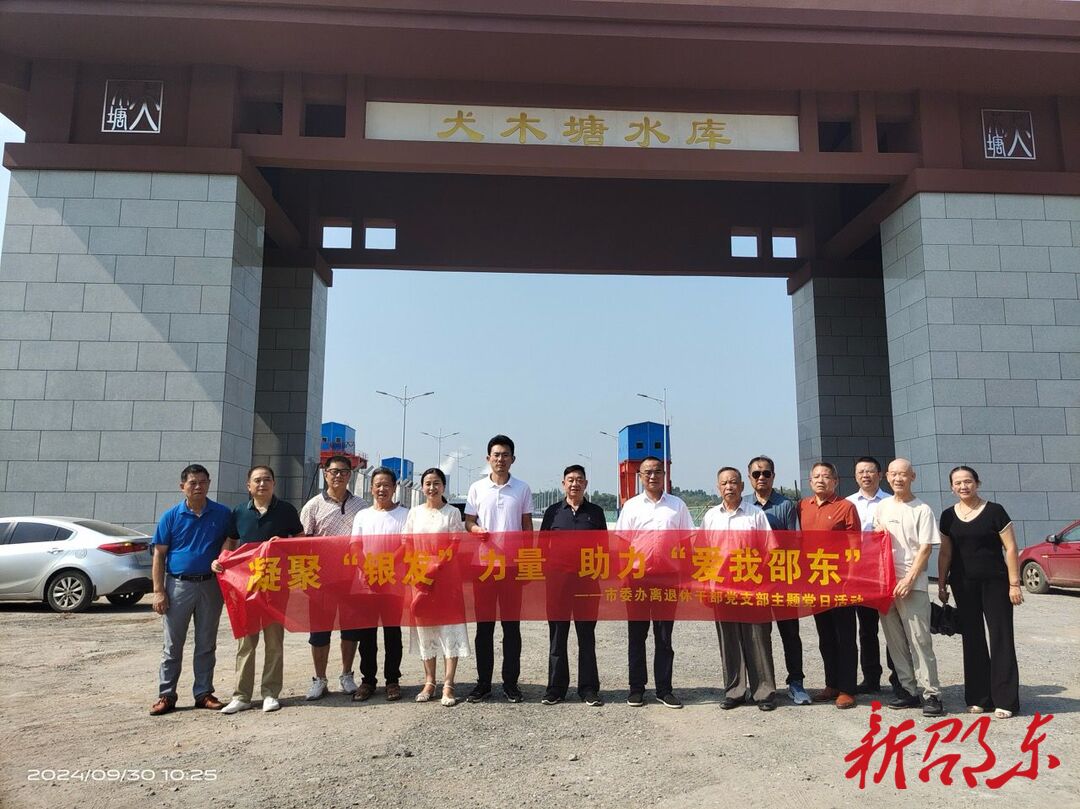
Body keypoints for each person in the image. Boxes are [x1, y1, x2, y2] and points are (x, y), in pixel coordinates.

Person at [213, 465, 302, 714]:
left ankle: (270, 693)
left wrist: (284, 543)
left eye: (267, 480)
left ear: (274, 484)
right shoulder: (240, 512)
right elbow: (231, 541)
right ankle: (241, 696)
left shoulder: (286, 510)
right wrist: (222, 559)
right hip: (245, 586)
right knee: (246, 643)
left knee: (274, 643)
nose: (262, 484)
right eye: (257, 480)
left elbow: (301, 538)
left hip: (275, 585)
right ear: (248, 486)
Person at [938, 465, 1021, 718]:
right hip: (963, 585)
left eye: (968, 481)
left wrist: (1014, 583)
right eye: (958, 483)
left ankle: (1005, 700)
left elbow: (1010, 548)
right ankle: (979, 697)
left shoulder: (995, 511)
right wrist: (941, 584)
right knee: (972, 639)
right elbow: (945, 553)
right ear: (952, 487)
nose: (963, 486)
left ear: (977, 483)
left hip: (995, 583)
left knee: (1001, 637)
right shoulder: (947, 516)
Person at [149, 464, 232, 716]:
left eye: (203, 482)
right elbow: (159, 555)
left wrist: (223, 554)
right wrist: (159, 590)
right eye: (193, 483)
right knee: (172, 645)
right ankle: (166, 695)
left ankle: (203, 693)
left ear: (209, 484)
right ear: (182, 486)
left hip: (210, 585)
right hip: (178, 586)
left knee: (206, 643)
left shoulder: (222, 513)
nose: (198, 487)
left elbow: (230, 539)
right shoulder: (171, 516)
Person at [615, 455, 694, 709]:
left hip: (667, 579)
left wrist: (687, 577)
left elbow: (687, 544)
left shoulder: (677, 506)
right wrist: (621, 576)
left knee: (664, 637)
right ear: (639, 476)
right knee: (637, 635)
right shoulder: (631, 507)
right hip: (636, 579)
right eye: (647, 472)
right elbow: (621, 544)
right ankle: (636, 688)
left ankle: (664, 689)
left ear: (664, 475)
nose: (653, 476)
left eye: (657, 471)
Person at [464, 435, 534, 703]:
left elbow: (526, 526)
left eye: (505, 455)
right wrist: (475, 529)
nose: (500, 459)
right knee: (484, 628)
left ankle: (511, 683)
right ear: (488, 459)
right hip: (483, 567)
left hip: (512, 567)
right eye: (496, 455)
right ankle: (483, 683)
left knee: (511, 628)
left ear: (513, 459)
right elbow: (468, 522)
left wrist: (527, 560)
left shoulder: (522, 488)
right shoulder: (477, 488)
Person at [702, 467, 776, 711]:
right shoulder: (711, 516)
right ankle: (735, 691)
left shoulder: (755, 515)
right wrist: (706, 584)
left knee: (758, 639)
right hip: (721, 588)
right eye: (724, 483)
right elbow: (702, 552)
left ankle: (764, 693)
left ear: (742, 486)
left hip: (752, 587)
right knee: (729, 640)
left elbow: (771, 550)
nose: (729, 487)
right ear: (718, 488)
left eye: (733, 482)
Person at [874, 458, 943, 717]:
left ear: (912, 476)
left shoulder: (922, 509)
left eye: (903, 474)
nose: (898, 479)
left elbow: (925, 549)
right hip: (886, 584)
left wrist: (909, 579)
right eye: (893, 474)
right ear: (887, 477)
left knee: (920, 640)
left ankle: (931, 693)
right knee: (895, 641)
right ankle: (908, 689)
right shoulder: (882, 507)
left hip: (913, 585)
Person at [299, 456, 370, 700]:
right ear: (325, 474)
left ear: (350, 475)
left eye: (343, 472)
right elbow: (301, 543)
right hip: (320, 580)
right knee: (319, 632)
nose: (338, 476)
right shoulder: (312, 506)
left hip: (352, 579)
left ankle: (346, 675)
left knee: (351, 630)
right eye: (333, 471)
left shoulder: (362, 506)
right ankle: (319, 679)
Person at [742, 455, 809, 705]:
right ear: (749, 477)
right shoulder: (743, 505)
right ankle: (761, 684)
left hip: (782, 580)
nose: (761, 478)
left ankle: (796, 682)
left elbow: (796, 543)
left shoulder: (786, 505)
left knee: (790, 633)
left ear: (773, 476)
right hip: (753, 581)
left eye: (766, 473)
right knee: (758, 636)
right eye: (756, 474)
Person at [539, 464, 607, 707]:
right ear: (563, 484)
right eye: (570, 479)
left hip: (587, 584)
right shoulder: (553, 513)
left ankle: (588, 689)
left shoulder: (596, 513)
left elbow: (604, 548)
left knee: (586, 637)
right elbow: (541, 548)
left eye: (579, 479)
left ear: (585, 484)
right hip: (558, 585)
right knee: (558, 636)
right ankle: (556, 689)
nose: (575, 484)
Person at [404, 467, 471, 707]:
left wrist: (436, 567)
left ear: (443, 486)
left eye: (436, 483)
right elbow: (407, 543)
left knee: (449, 630)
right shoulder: (414, 513)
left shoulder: (452, 513)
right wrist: (418, 572)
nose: (432, 488)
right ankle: (429, 681)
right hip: (420, 579)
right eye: (428, 483)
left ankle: (449, 683)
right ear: (422, 487)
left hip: (446, 580)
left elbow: (455, 544)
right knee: (426, 630)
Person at [797, 461, 860, 710]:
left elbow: (855, 546)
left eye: (826, 476)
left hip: (840, 580)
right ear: (810, 482)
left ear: (835, 481)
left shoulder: (846, 507)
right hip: (815, 581)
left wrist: (851, 579)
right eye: (816, 476)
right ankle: (831, 684)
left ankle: (847, 689)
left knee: (845, 636)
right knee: (825, 635)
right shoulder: (802, 506)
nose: (820, 480)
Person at [845, 457, 903, 699]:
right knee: (866, 628)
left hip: (888, 572)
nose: (865, 475)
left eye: (870, 471)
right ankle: (871, 678)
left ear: (880, 475)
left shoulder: (892, 502)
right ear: (855, 476)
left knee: (894, 627)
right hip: (861, 574)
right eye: (861, 472)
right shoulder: (847, 503)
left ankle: (899, 678)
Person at [350, 466, 409, 702]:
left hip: (393, 584)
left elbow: (406, 546)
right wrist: (368, 568)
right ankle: (368, 681)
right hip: (366, 583)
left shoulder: (405, 515)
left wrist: (384, 567)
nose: (382, 489)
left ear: (394, 488)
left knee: (393, 634)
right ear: (371, 488)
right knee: (366, 636)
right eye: (378, 485)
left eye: (386, 485)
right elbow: (355, 546)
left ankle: (392, 680)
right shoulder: (363, 515)